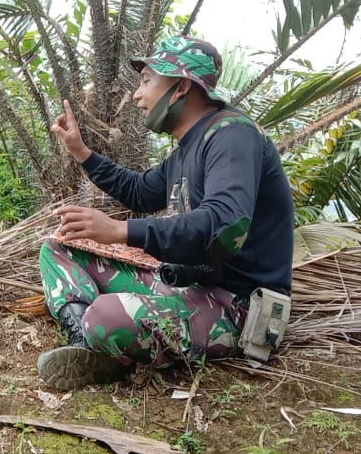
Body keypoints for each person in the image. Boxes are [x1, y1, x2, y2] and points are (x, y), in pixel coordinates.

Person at [37, 36, 294, 390]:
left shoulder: (232, 136)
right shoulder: (189, 147)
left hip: (237, 307)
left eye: (146, 82)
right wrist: (81, 151)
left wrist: (121, 231)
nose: (138, 96)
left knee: (106, 316)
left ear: (181, 87)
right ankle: (84, 340)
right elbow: (140, 191)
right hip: (188, 283)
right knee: (59, 247)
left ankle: (101, 335)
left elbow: (225, 223)